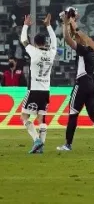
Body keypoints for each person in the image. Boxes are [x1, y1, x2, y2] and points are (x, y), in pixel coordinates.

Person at [57, 16, 94, 151]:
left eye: (78, 38)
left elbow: (68, 39)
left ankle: (68, 144)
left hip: (81, 85)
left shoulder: (83, 50)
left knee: (73, 114)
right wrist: (73, 24)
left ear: (83, 41)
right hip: (92, 86)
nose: (76, 39)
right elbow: (75, 36)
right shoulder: (91, 51)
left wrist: (66, 23)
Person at [20, 14, 56, 154]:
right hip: (46, 90)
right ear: (45, 42)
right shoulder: (51, 53)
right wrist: (48, 25)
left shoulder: (33, 52)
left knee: (24, 117)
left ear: (35, 43)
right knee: (41, 118)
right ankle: (41, 147)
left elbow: (23, 40)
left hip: (34, 90)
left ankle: (37, 140)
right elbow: (54, 42)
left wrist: (25, 25)